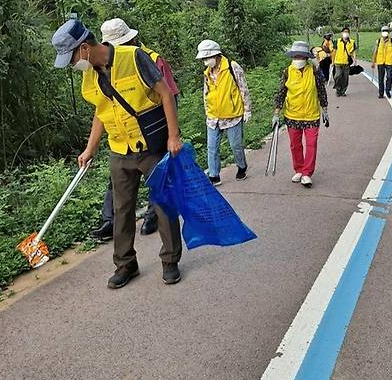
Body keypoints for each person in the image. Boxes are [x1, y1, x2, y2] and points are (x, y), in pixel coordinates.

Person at [51, 18, 183, 289]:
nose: (73, 65)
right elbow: (101, 113)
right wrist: (90, 148)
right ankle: (126, 265)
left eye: (72, 58)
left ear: (84, 48)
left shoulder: (133, 57)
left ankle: (170, 261)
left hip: (150, 145)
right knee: (121, 210)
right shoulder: (89, 74)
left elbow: (165, 94)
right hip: (119, 150)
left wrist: (173, 136)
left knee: (163, 204)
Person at [93, 18, 180, 241]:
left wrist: (171, 134)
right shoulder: (103, 68)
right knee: (118, 189)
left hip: (152, 138)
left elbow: (169, 95)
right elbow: (103, 109)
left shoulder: (149, 58)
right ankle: (110, 221)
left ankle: (152, 216)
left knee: (159, 185)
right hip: (122, 143)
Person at [273, 41, 329, 188]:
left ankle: (307, 173)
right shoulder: (287, 72)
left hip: (312, 115)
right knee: (295, 145)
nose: (297, 59)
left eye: (300, 56)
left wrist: (325, 110)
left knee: (311, 144)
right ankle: (299, 169)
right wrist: (276, 113)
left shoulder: (315, 71)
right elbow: (281, 92)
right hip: (293, 115)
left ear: (306, 57)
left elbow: (321, 91)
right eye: (295, 56)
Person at [196, 39, 251, 185]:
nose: (205, 61)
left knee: (235, 145)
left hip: (233, 114)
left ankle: (242, 166)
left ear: (216, 55)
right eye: (204, 58)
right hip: (213, 116)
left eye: (207, 57)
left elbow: (243, 88)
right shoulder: (207, 73)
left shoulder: (232, 67)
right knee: (212, 147)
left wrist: (247, 109)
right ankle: (214, 175)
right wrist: (207, 111)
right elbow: (206, 93)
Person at [371, 26, 392, 99]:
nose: (385, 32)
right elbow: (375, 52)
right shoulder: (378, 41)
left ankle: (388, 90)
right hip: (380, 62)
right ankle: (381, 93)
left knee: (389, 77)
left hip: (389, 62)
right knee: (380, 78)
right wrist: (373, 62)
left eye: (386, 31)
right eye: (384, 31)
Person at [333, 26, 356, 96]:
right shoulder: (337, 41)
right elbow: (334, 51)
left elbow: (353, 52)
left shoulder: (352, 42)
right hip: (338, 62)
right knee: (338, 75)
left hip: (346, 63)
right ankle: (338, 89)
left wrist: (355, 60)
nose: (346, 33)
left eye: (347, 32)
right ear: (342, 33)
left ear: (349, 34)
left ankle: (342, 92)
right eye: (344, 32)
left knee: (345, 79)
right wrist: (332, 61)